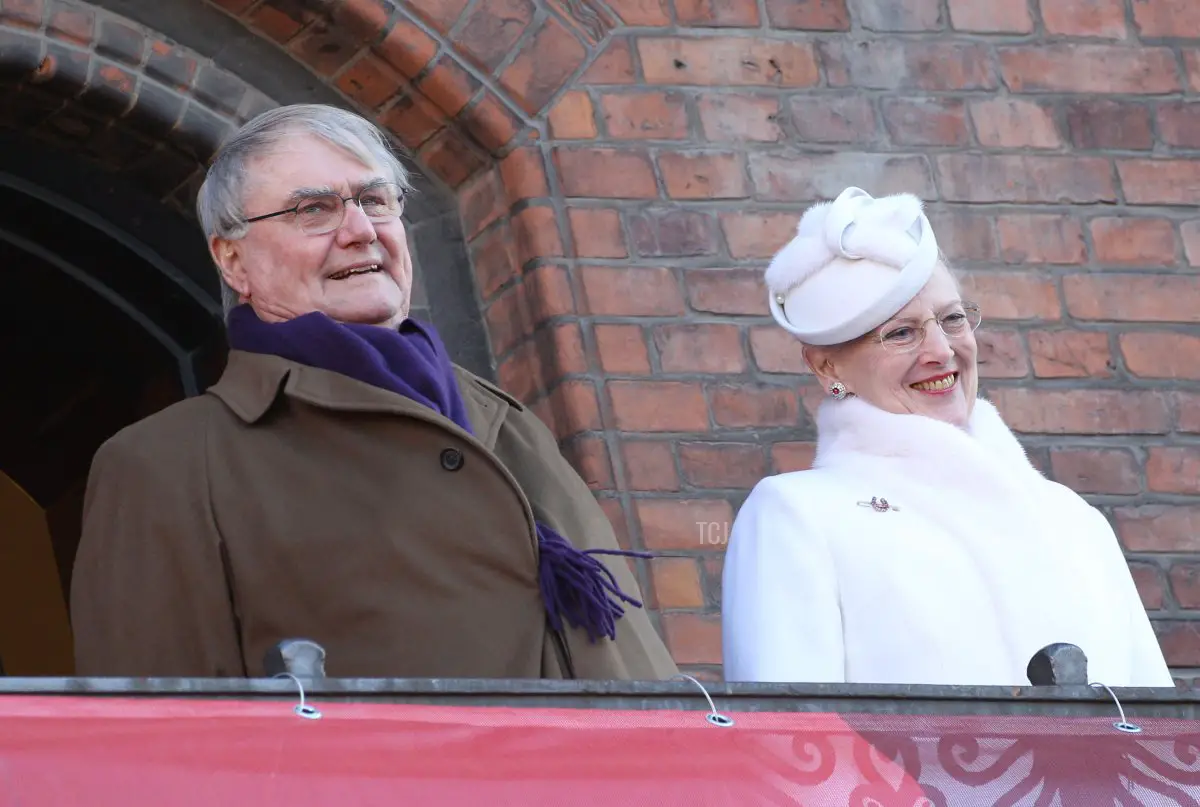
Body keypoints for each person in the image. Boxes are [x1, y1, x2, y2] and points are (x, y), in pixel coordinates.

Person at [70, 103, 678, 682]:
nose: (360, 229)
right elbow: (164, 746)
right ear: (233, 262)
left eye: (375, 200)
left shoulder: (511, 425)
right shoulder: (169, 465)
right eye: (313, 210)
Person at [721, 186, 1173, 688]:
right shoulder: (798, 517)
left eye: (952, 319)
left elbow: (1154, 740)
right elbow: (791, 746)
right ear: (826, 366)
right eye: (900, 333)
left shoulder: (1075, 520)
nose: (942, 350)